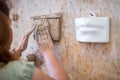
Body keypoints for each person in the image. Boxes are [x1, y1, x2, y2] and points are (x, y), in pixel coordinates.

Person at [0, 0, 69, 80]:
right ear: (4, 29)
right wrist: (48, 53)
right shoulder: (19, 72)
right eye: (9, 25)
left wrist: (20, 50)